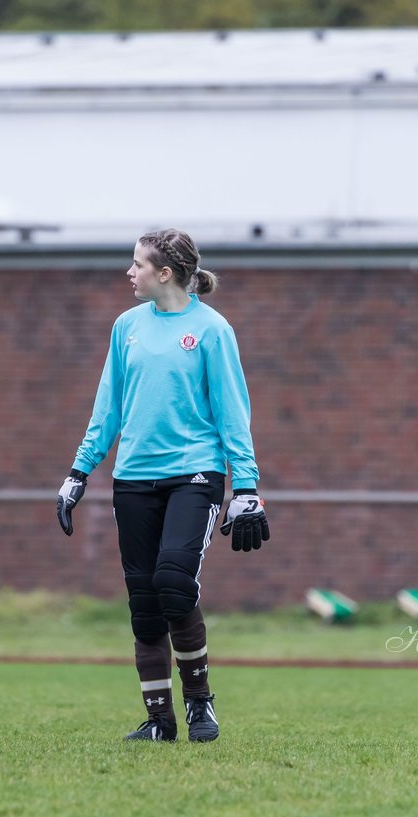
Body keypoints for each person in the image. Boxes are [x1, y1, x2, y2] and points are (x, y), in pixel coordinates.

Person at [56, 228, 270, 743]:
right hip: (132, 478)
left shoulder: (213, 330)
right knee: (144, 602)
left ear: (165, 273)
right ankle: (159, 721)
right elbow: (107, 407)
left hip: (195, 475)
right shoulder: (126, 326)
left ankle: (200, 704)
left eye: (138, 265)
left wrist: (246, 487)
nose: (129, 273)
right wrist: (78, 472)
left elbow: (232, 413)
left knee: (174, 586)